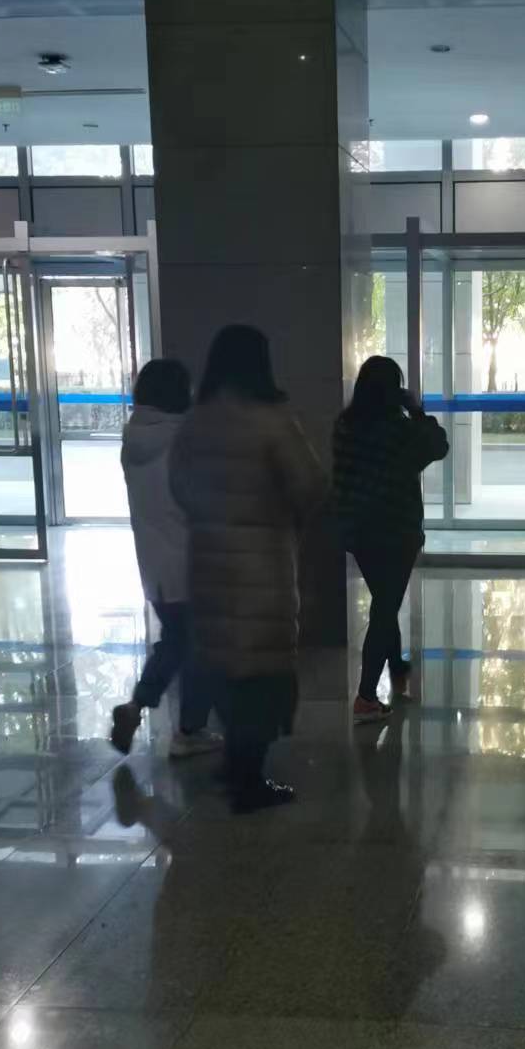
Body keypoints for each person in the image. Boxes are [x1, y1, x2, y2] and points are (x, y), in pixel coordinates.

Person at [168, 325, 327, 812]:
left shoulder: (195, 421)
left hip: (209, 564)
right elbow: (310, 486)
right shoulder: (273, 422)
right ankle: (248, 782)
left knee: (223, 665)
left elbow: (179, 487)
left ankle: (234, 763)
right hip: (261, 570)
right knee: (261, 674)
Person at [110, 358, 219, 759]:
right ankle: (189, 730)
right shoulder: (184, 441)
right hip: (191, 561)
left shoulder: (133, 438)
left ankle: (137, 705)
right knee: (199, 648)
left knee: (176, 641)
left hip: (155, 567)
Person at [332, 355, 448, 724]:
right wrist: (417, 410)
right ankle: (366, 696)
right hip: (396, 529)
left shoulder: (345, 426)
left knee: (385, 597)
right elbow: (438, 446)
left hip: (359, 529)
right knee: (385, 606)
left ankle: (395, 662)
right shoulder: (399, 429)